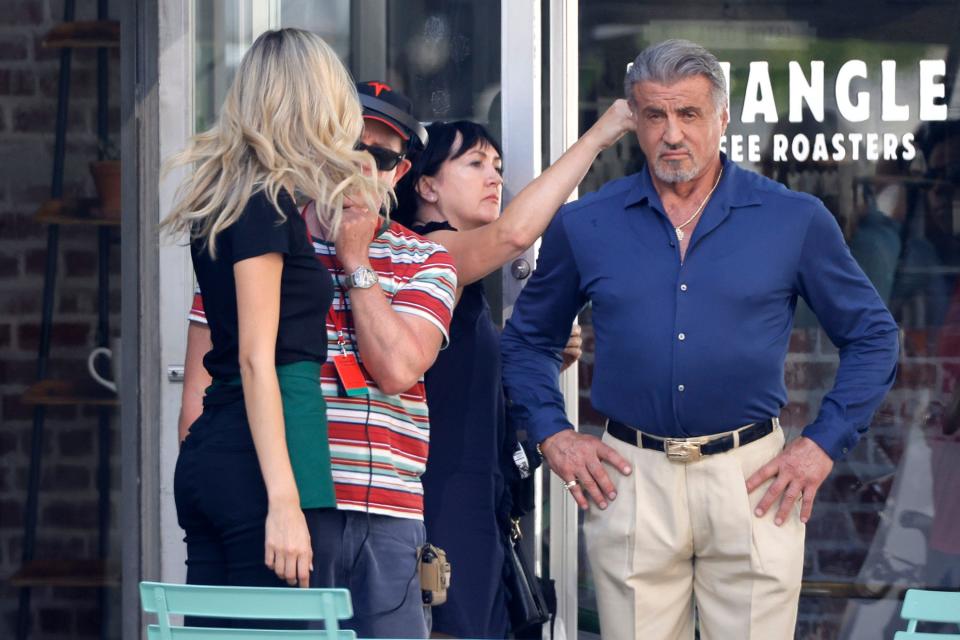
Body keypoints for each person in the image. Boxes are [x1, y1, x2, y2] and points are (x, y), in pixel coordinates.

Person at [500, 39, 900, 639]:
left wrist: (821, 445)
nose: (672, 134)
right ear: (634, 119)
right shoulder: (588, 223)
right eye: (654, 115)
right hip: (630, 476)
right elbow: (528, 341)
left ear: (722, 118)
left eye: (688, 114)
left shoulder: (793, 219)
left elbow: (873, 336)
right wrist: (554, 436)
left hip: (752, 479)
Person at [181, 80, 458, 638]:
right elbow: (203, 393)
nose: (360, 167)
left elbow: (399, 368)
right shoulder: (264, 242)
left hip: (388, 512)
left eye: (380, 157)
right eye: (348, 147)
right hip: (290, 503)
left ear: (399, 174)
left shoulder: (425, 257)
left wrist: (357, 262)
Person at [163, 28, 389, 623]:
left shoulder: (229, 201)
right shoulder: (264, 205)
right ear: (317, 103)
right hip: (264, 451)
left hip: (221, 448)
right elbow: (256, 359)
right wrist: (284, 501)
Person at [391, 103, 632, 638]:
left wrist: (532, 354)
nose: (495, 176)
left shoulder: (458, 278)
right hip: (442, 497)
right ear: (426, 185)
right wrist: (601, 134)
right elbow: (513, 236)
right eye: (476, 163)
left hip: (475, 494)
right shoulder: (425, 250)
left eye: (498, 165)